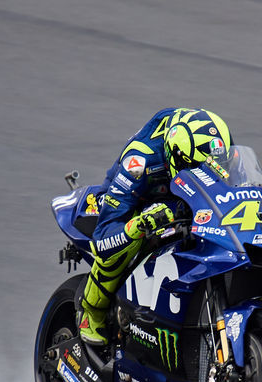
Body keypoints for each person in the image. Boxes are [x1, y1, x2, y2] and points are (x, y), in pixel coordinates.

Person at [78, 107, 233, 347]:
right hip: (141, 194)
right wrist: (137, 225)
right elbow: (103, 238)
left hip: (182, 196)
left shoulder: (217, 146)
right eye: (194, 169)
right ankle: (91, 313)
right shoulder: (138, 163)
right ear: (176, 157)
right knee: (127, 239)